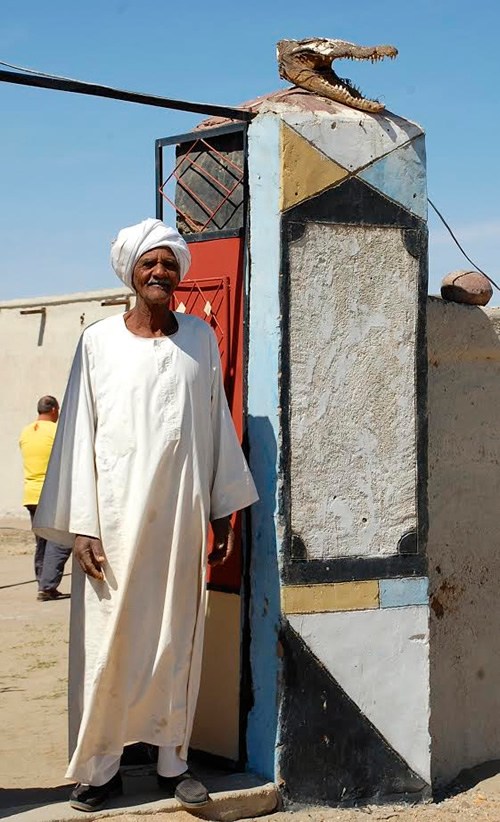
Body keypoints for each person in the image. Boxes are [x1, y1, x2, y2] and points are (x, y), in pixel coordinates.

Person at [33, 218, 258, 812]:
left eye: (169, 264)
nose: (160, 273)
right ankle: (101, 768)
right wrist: (81, 522)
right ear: (131, 274)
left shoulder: (202, 340)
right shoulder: (98, 342)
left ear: (181, 274)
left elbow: (215, 431)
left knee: (173, 640)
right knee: (108, 643)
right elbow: (78, 434)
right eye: (148, 264)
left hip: (181, 522)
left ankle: (171, 762)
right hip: (111, 526)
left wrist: (222, 513)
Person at [19, 395, 71, 601]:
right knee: (59, 540)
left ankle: (43, 581)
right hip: (51, 493)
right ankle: (48, 585)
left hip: (30, 494)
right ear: (55, 410)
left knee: (42, 541)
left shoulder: (26, 431)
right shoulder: (57, 431)